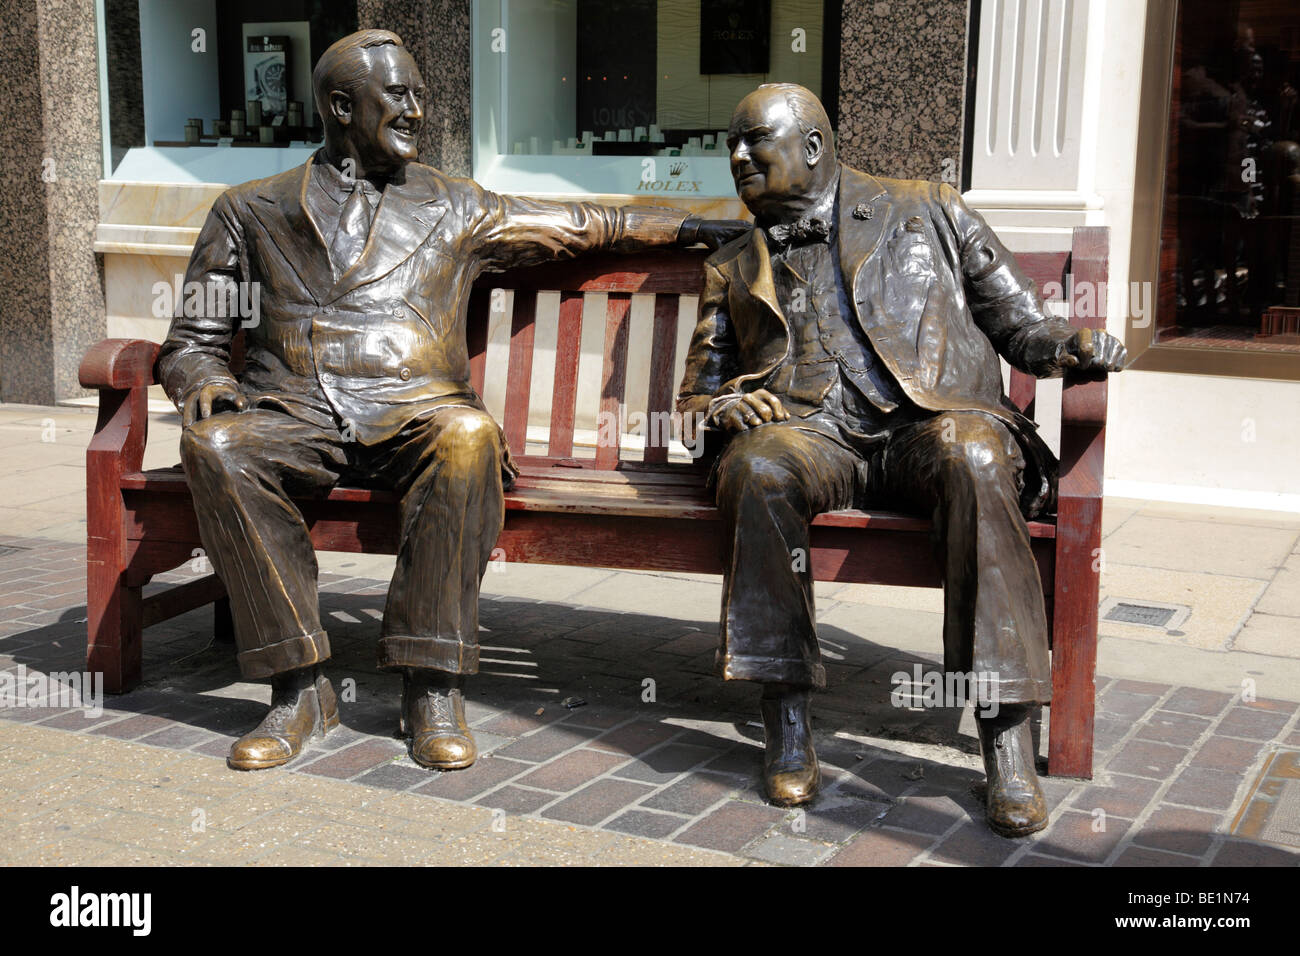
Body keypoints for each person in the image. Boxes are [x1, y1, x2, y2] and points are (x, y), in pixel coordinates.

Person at [159, 29, 743, 773]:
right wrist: (206, 380)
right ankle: (298, 686)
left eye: (420, 95)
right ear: (341, 106)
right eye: (397, 95)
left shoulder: (455, 204)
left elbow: (589, 224)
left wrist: (710, 227)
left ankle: (432, 685)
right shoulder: (250, 210)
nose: (416, 111)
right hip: (296, 414)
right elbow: (193, 337)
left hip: (417, 414)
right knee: (216, 445)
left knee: (468, 436)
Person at [676, 83, 1126, 836]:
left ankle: (1005, 735)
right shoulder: (733, 260)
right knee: (756, 467)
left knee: (975, 455)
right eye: (730, 145)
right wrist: (722, 408)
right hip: (811, 432)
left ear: (813, 148)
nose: (738, 158)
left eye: (755, 141)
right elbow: (697, 395)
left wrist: (1072, 345)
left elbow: (1021, 324)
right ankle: (785, 717)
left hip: (928, 424)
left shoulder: (930, 209)